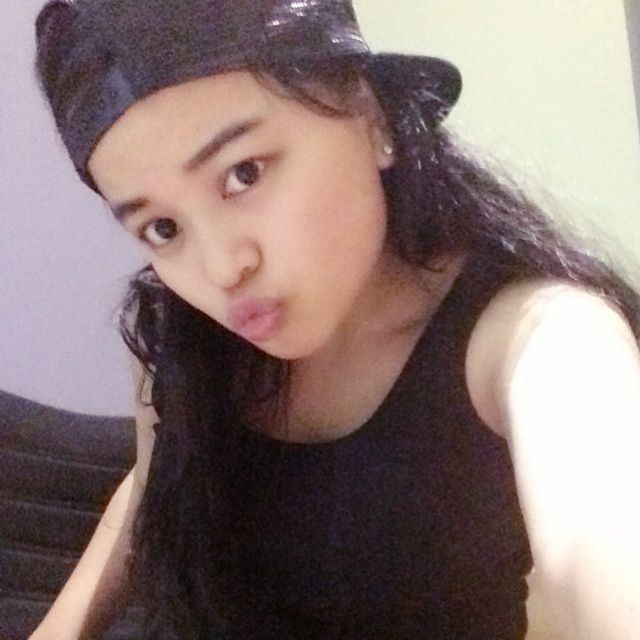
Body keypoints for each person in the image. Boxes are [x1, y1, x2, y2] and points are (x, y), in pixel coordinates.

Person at [31, 0, 640, 638]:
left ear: (371, 115)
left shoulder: (541, 339)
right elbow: (152, 483)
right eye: (162, 228)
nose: (221, 268)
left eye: (243, 174)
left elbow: (598, 552)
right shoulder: (175, 329)